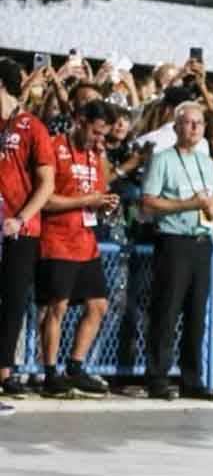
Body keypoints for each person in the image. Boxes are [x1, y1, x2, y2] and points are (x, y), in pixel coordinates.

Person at [140, 101, 213, 401]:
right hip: (174, 239)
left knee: (196, 313)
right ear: (176, 127)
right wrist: (188, 204)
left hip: (202, 241)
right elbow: (148, 201)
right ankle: (158, 377)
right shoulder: (162, 159)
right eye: (189, 122)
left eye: (199, 123)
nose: (195, 128)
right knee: (167, 310)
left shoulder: (206, 161)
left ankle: (192, 379)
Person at [35, 100, 118, 398]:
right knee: (56, 306)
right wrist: (86, 201)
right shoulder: (54, 147)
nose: (99, 139)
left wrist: (104, 204)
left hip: (85, 239)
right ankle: (49, 373)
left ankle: (76, 366)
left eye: (104, 135)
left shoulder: (95, 155)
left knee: (98, 305)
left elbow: (98, 192)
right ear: (80, 121)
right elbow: (45, 199)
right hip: (57, 238)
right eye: (96, 132)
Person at [0, 57, 56, 414]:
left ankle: (3, 375)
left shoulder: (32, 127)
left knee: (11, 303)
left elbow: (46, 183)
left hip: (19, 228)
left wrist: (21, 218)